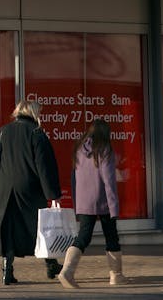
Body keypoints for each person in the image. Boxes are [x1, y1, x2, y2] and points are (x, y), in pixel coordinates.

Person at [0, 99, 64, 285]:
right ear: (34, 113)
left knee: (9, 228)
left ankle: (7, 271)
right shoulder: (36, 133)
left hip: (6, 188)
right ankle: (51, 264)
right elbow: (44, 166)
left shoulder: (4, 131)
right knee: (40, 226)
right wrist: (52, 194)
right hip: (29, 188)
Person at [58, 118, 126, 288]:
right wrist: (114, 207)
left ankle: (67, 271)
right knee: (111, 236)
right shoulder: (105, 150)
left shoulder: (79, 149)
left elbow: (74, 178)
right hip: (103, 201)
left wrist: (76, 202)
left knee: (83, 236)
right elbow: (109, 180)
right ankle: (116, 276)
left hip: (84, 200)